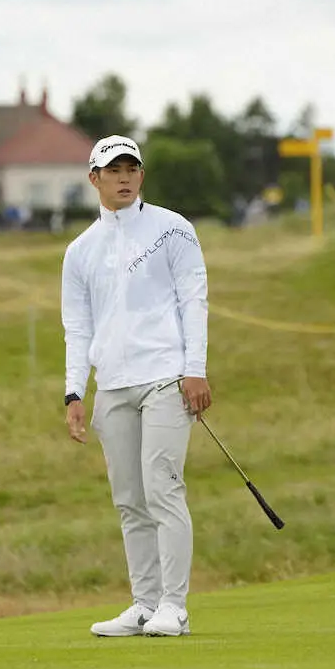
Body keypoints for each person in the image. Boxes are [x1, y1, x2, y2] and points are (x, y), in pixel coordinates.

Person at [60, 135, 212, 639]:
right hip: (112, 386)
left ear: (141, 175)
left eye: (132, 169)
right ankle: (145, 604)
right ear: (94, 179)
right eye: (113, 170)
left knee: (162, 488)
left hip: (166, 376)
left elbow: (193, 301)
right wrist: (74, 392)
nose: (124, 177)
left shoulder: (173, 229)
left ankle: (174, 606)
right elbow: (78, 327)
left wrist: (195, 368)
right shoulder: (80, 251)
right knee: (129, 499)